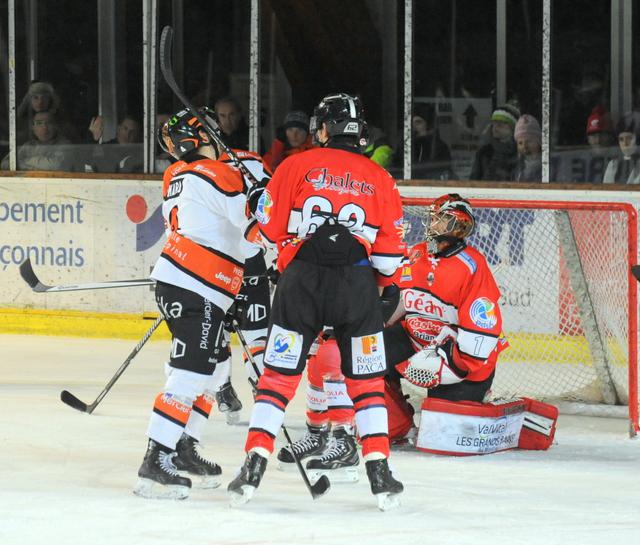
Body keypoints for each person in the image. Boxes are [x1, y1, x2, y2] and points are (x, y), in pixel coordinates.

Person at [227, 92, 406, 510]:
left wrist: (259, 202)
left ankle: (252, 467)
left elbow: (266, 233)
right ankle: (379, 474)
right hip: (356, 287)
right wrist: (382, 288)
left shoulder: (295, 165)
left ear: (324, 129)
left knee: (277, 378)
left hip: (301, 283)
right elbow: (389, 259)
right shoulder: (381, 179)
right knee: (367, 383)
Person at [133, 108, 261, 500]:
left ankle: (184, 447)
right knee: (189, 373)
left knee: (212, 368)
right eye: (212, 132)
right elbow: (253, 233)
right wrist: (263, 198)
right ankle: (157, 457)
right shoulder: (220, 173)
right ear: (203, 137)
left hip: (188, 283)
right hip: (198, 285)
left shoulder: (177, 175)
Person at [383, 194, 507, 435]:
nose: (432, 224)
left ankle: (477, 399)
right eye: (432, 218)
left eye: (439, 219)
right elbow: (394, 302)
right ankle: (397, 425)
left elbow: (481, 333)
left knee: (442, 433)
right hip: (417, 341)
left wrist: (446, 367)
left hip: (459, 358)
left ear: (458, 225)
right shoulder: (415, 254)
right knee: (365, 354)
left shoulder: (473, 266)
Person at [2, 110, 73, 171]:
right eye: (39, 123)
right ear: (33, 128)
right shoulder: (29, 145)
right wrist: (36, 166)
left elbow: (57, 166)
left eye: (49, 123)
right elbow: (5, 164)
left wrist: (24, 161)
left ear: (56, 126)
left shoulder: (65, 144)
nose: (44, 127)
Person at [469, 103, 520, 181]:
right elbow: (474, 180)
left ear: (512, 128)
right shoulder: (484, 152)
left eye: (500, 125)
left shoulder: (520, 152)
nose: (495, 128)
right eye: (493, 124)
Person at [409, 103, 452, 179]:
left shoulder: (440, 147)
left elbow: (442, 172)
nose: (414, 127)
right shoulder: (406, 145)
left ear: (429, 125)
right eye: (411, 123)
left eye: (418, 122)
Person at [603, 111, 640, 184]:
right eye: (621, 139)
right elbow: (606, 188)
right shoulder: (613, 164)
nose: (625, 143)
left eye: (629, 138)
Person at [512, 114, 542, 182]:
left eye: (529, 141)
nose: (524, 146)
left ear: (539, 142)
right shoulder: (516, 167)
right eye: (520, 143)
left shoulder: (551, 165)